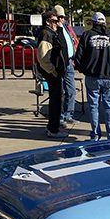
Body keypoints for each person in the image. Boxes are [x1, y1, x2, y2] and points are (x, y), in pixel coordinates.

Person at [75, 12, 110, 140]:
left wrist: (85, 70)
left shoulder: (87, 35)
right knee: (109, 106)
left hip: (93, 76)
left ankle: (95, 134)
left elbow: (78, 58)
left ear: (93, 23)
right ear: (104, 22)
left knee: (93, 106)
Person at [37, 10, 67, 138]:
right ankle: (53, 129)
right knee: (55, 100)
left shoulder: (53, 32)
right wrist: (52, 70)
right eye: (54, 20)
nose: (57, 23)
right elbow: (43, 57)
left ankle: (54, 126)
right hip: (52, 72)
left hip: (56, 71)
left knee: (57, 99)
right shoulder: (46, 34)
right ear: (48, 21)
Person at [53, 5, 77, 127]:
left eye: (62, 17)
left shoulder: (66, 28)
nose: (61, 19)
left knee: (71, 90)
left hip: (69, 62)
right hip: (60, 64)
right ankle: (61, 116)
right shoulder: (54, 30)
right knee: (60, 92)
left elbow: (72, 42)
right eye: (59, 17)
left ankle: (68, 115)